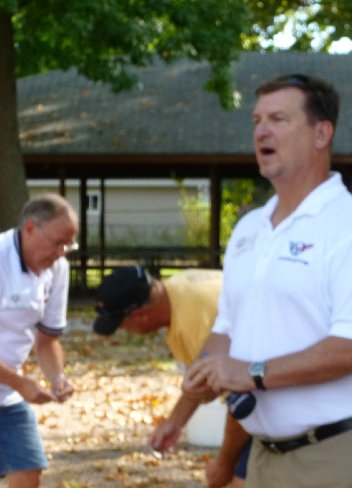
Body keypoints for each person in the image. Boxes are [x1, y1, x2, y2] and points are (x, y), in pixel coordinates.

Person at [183, 73, 352, 487]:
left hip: (342, 453)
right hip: (266, 456)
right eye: (256, 121)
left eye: (279, 119)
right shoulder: (249, 228)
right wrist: (196, 387)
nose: (261, 131)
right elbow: (227, 329)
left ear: (322, 133)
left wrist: (253, 372)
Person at [92, 265, 251, 488]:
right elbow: (201, 383)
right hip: (270, 386)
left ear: (139, 316)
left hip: (282, 393)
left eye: (121, 325)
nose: (123, 331)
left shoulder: (194, 323)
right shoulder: (179, 290)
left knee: (240, 482)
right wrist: (174, 422)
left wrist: (225, 463)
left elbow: (244, 401)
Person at [0, 193, 78, 488]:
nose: (61, 252)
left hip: (6, 397)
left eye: (68, 245)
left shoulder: (58, 269)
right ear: (30, 228)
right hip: (13, 386)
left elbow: (47, 340)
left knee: (28, 470)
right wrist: (21, 383)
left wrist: (57, 377)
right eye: (57, 243)